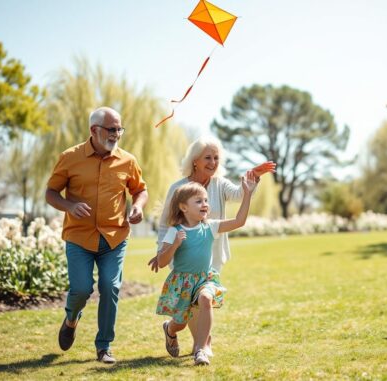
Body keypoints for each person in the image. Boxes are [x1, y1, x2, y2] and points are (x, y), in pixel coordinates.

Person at [149, 135, 275, 356]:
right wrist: (163, 249)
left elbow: (238, 195)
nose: (213, 162)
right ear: (194, 160)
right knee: (189, 308)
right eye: (208, 157)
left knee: (204, 299)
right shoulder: (179, 188)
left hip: (212, 253)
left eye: (216, 158)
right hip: (183, 253)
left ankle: (203, 346)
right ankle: (184, 334)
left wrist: (252, 179)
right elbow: (165, 223)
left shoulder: (219, 184)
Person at [46, 106, 148, 364]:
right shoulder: (70, 157)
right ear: (94, 130)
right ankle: (71, 319)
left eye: (119, 129)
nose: (117, 134)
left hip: (114, 237)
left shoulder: (128, 160)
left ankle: (104, 346)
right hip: (79, 238)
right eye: (112, 129)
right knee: (81, 290)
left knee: (110, 286)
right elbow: (51, 193)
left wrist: (137, 206)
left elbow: (140, 190)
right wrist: (70, 206)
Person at [153, 173, 257, 366]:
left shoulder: (210, 227)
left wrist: (247, 194)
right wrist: (174, 245)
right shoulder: (174, 231)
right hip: (182, 283)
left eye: (206, 200)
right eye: (198, 201)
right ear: (183, 207)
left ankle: (200, 349)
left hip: (204, 279)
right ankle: (170, 329)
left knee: (206, 299)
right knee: (180, 323)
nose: (205, 204)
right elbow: (161, 261)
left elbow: (239, 221)